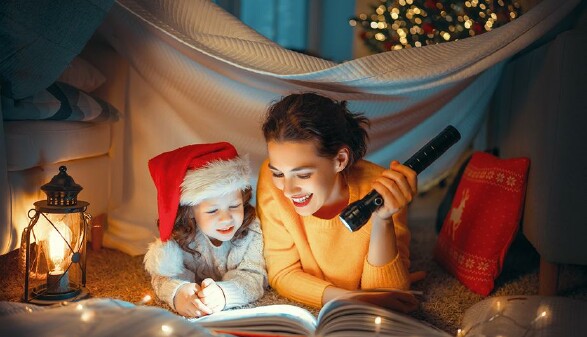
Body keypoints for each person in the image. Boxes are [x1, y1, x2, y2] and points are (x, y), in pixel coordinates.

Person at [256, 92, 422, 311]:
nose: (287, 190)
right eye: (278, 173)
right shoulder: (271, 181)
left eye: (303, 175)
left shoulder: (381, 188)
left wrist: (383, 220)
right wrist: (352, 298)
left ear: (340, 160)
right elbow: (283, 272)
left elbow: (388, 296)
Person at [144, 142, 268, 318]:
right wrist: (179, 292)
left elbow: (254, 276)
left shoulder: (250, 230)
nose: (226, 218)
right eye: (212, 210)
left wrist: (224, 294)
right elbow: (162, 277)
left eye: (234, 205)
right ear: (191, 212)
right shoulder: (181, 235)